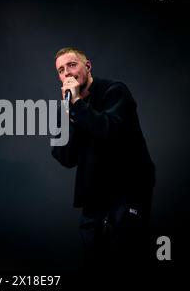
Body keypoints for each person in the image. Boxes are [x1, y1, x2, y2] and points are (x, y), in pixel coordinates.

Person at [51, 47, 155, 266]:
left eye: (71, 65)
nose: (67, 73)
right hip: (92, 203)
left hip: (125, 194)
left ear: (87, 67)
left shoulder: (115, 91)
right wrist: (68, 113)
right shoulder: (69, 108)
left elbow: (109, 131)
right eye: (61, 70)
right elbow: (65, 157)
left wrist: (78, 104)